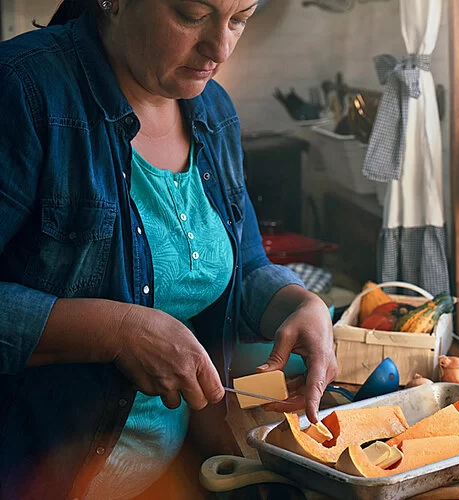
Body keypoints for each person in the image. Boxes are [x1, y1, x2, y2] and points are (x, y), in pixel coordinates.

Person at [0, 1, 338, 498]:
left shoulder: (214, 110)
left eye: (240, 19)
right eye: (191, 14)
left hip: (171, 476)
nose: (219, 48)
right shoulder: (23, 91)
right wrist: (118, 332)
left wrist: (301, 305)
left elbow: (241, 266)